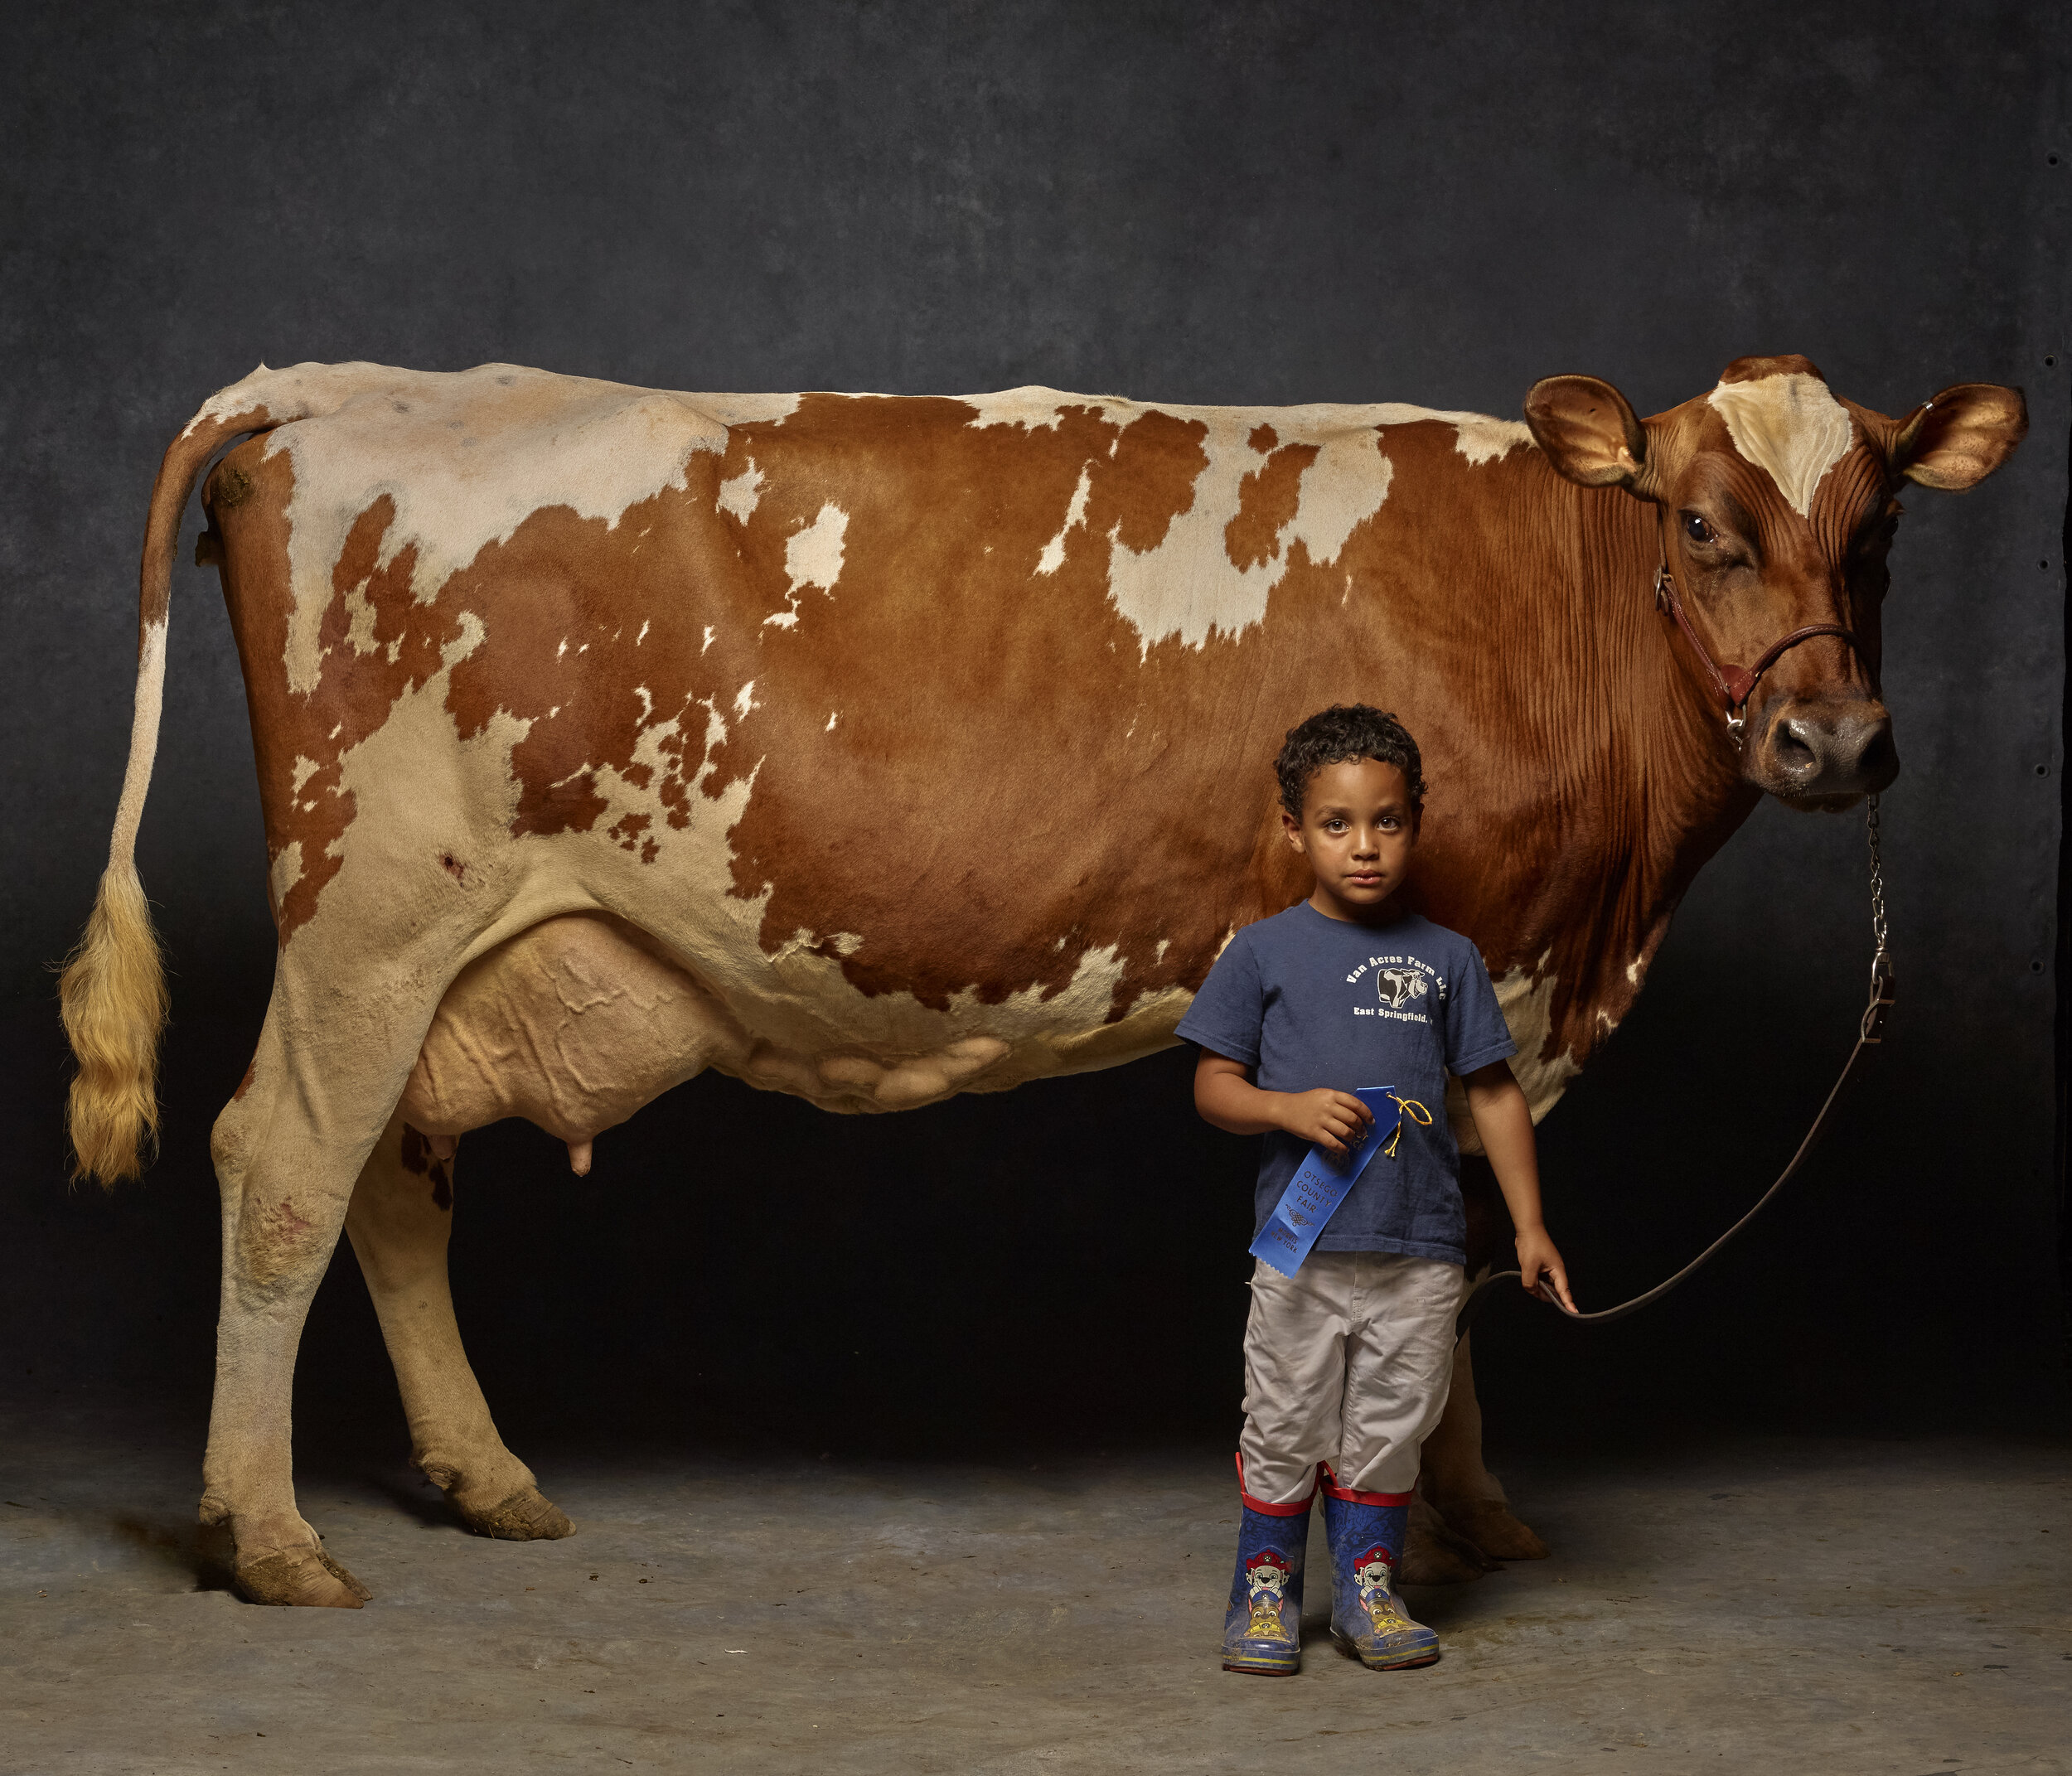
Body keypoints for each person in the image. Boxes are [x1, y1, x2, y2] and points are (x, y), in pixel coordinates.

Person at [1176, 704, 1574, 1677]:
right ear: (1294, 830)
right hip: (1302, 1247)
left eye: (1387, 821)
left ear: (1415, 824)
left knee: (1392, 1426)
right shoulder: (1263, 952)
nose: (1364, 846)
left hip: (1421, 1248)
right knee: (1282, 1419)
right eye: (1338, 823)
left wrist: (1528, 1225)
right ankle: (1263, 1592)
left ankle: (1367, 1589)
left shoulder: (1446, 958)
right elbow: (1211, 1086)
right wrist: (1285, 1110)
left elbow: (1493, 1093)